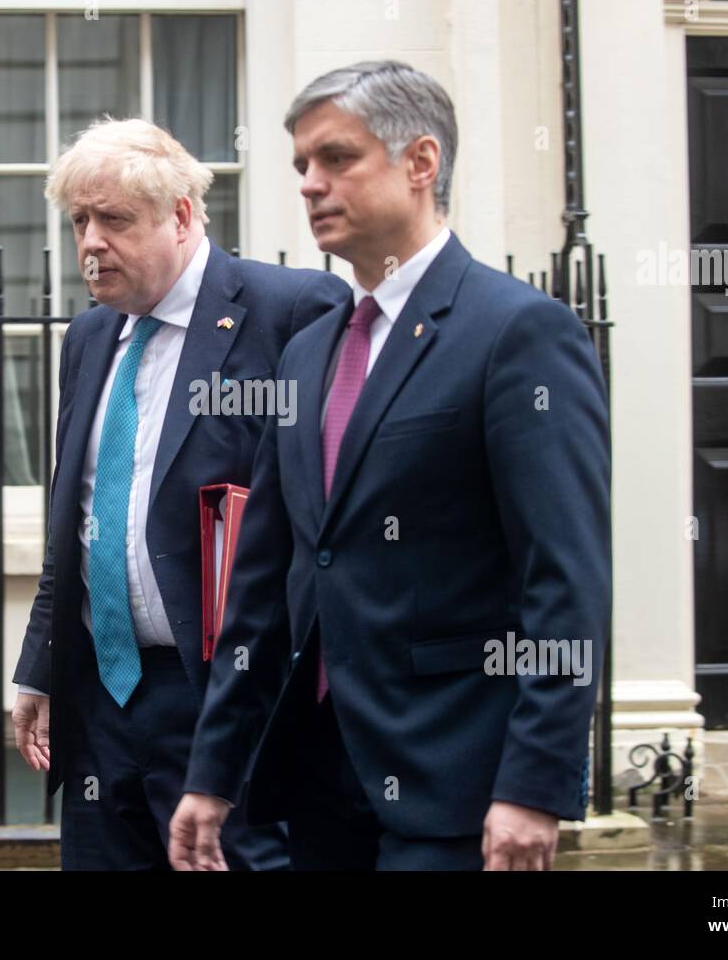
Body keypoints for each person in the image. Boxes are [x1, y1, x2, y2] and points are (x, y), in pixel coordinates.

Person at [168, 60, 611, 871]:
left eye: (336, 158)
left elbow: (566, 579)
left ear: (420, 163)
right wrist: (214, 771)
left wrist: (535, 782)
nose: (310, 184)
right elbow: (265, 585)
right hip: (317, 784)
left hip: (459, 790)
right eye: (302, 164)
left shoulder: (519, 332)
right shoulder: (306, 354)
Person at [11, 117, 349, 870]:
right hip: (101, 696)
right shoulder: (89, 338)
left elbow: (319, 520)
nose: (91, 242)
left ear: (184, 215)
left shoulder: (290, 309)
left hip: (223, 694)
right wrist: (39, 666)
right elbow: (77, 520)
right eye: (79, 221)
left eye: (115, 219)